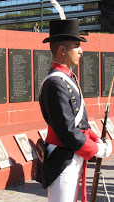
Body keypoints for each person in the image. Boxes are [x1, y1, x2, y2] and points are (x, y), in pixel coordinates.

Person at [39, 19, 112, 202]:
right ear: (62, 50)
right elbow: (67, 130)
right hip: (63, 158)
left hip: (73, 154)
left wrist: (97, 139)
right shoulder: (55, 83)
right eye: (77, 46)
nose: (81, 50)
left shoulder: (67, 77)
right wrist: (95, 149)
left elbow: (80, 123)